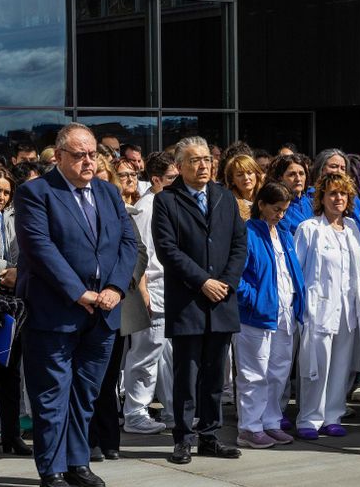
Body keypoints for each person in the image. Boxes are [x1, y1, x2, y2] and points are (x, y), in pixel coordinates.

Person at [15, 122, 138, 487]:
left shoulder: (107, 192)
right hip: (55, 313)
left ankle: (77, 462)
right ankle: (52, 469)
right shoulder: (35, 193)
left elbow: (127, 243)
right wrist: (77, 292)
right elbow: (39, 248)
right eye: (80, 154)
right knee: (52, 396)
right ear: (60, 156)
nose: (88, 161)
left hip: (103, 314)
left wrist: (116, 287)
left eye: (93, 154)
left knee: (85, 394)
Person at [152, 136, 248, 465]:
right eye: (194, 160)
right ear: (179, 166)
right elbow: (168, 251)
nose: (203, 165)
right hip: (188, 301)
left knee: (214, 376)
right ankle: (183, 437)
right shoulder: (166, 201)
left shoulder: (223, 197)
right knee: (186, 375)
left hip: (221, 300)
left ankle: (210, 435)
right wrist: (202, 281)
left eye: (207, 159)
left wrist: (226, 283)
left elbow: (239, 245)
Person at [293, 172, 360, 440]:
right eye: (332, 193)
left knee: (341, 365)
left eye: (342, 193)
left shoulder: (353, 227)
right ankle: (308, 418)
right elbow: (298, 270)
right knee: (315, 365)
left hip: (348, 309)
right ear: (321, 197)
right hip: (319, 309)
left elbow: (357, 269)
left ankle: (333, 415)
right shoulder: (309, 228)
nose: (338, 198)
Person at [235, 182, 305, 448]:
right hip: (256, 316)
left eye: (284, 210)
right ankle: (249, 427)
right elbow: (236, 275)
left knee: (278, 372)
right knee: (254, 373)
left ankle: (271, 422)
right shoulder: (247, 232)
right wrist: (253, 300)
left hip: (284, 314)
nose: (281, 215)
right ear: (261, 204)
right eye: (276, 209)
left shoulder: (283, 233)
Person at [88, 164, 151, 462]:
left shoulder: (120, 210)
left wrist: (119, 284)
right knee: (89, 377)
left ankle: (109, 439)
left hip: (117, 302)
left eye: (104, 180)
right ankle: (89, 440)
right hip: (86, 302)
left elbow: (139, 251)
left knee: (110, 375)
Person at [124, 153, 178, 433]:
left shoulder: (167, 205)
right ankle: (135, 412)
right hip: (152, 291)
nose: (176, 183)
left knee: (167, 355)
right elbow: (141, 255)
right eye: (171, 178)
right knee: (145, 354)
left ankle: (172, 410)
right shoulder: (147, 207)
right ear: (156, 180)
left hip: (168, 292)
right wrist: (143, 293)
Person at [0, 165, 30, 456]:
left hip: (13, 301)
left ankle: (11, 435)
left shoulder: (16, 216)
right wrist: (5, 269)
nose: (1, 197)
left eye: (6, 192)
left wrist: (20, 271)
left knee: (10, 371)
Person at [224, 154, 265, 221]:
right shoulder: (229, 204)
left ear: (256, 175)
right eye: (240, 175)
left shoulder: (267, 197)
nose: (246, 178)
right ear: (232, 180)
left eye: (249, 173)